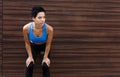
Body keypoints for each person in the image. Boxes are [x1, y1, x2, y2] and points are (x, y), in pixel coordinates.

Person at [23, 6, 54, 77]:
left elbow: (48, 44)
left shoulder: (49, 29)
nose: (43, 20)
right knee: (29, 65)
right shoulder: (26, 28)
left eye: (44, 17)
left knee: (45, 65)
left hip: (44, 46)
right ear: (33, 18)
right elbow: (27, 43)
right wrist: (30, 57)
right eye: (39, 18)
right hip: (32, 46)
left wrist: (45, 57)